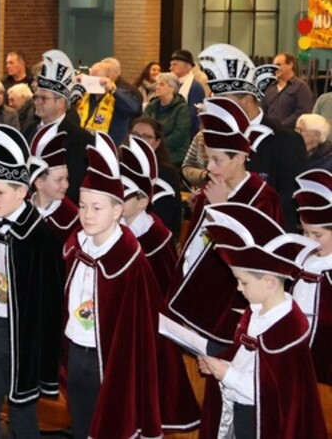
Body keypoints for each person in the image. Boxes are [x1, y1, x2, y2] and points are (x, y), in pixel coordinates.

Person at [63, 132, 164, 439]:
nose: (86, 215)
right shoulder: (75, 244)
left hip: (107, 360)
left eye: (97, 208)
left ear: (117, 210)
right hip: (75, 350)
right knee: (80, 426)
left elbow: (137, 330)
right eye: (82, 206)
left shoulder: (129, 260)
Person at [0, 124, 64, 439]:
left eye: (0, 193)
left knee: (22, 412)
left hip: (21, 335)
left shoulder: (40, 238)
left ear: (21, 192)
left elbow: (50, 303)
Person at [197, 203, 325, 438]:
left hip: (263, 421)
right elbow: (246, 359)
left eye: (243, 282)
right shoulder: (255, 311)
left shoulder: (287, 328)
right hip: (241, 410)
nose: (238, 288)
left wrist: (228, 375)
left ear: (269, 282)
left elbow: (273, 393)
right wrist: (221, 364)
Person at [166, 97, 284, 354]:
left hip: (225, 313)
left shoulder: (263, 198)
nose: (209, 168)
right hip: (188, 301)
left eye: (217, 160)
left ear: (240, 157)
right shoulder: (211, 187)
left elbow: (258, 262)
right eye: (208, 159)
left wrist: (222, 210)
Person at [118, 137, 201, 432]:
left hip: (148, 331)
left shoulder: (155, 236)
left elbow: (166, 289)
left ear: (143, 201)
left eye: (124, 194)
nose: (117, 198)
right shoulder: (112, 228)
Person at [199, 43, 308, 231]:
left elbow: (292, 198)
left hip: (271, 235)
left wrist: (235, 208)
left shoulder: (285, 140)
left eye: (225, 101)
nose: (220, 108)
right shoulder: (221, 135)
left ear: (247, 100)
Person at [290, 168, 332, 393]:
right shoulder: (303, 260)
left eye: (318, 235)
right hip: (297, 350)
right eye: (305, 234)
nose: (310, 242)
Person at [33, 49, 93, 205]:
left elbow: (74, 186)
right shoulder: (29, 131)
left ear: (60, 102)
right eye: (36, 97)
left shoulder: (81, 139)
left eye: (43, 98)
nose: (37, 102)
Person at [128, 116, 184, 238]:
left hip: (153, 237)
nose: (139, 140)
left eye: (146, 137)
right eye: (135, 135)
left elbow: (164, 216)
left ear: (157, 142)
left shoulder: (166, 173)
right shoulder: (119, 165)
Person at [29, 122, 79, 241]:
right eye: (59, 180)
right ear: (39, 182)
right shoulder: (21, 206)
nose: (66, 185)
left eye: (66, 178)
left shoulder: (71, 217)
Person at [75, 60, 141, 145]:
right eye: (91, 78)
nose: (93, 82)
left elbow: (133, 109)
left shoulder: (119, 94)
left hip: (110, 145)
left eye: (96, 79)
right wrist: (75, 86)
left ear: (108, 78)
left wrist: (113, 91)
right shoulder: (85, 96)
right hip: (84, 143)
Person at [142, 71, 190, 166]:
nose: (157, 87)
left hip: (173, 155)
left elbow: (180, 134)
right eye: (157, 84)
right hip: (151, 151)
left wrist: (158, 144)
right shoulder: (151, 106)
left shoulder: (181, 108)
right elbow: (144, 127)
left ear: (172, 88)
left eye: (161, 85)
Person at [263, 52, 315, 128]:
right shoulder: (269, 88)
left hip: (291, 132)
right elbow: (263, 111)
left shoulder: (301, 87)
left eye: (278, 65)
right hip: (269, 132)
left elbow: (304, 112)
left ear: (290, 64)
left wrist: (281, 126)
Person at [169, 48, 206, 135]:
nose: (171, 68)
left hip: (187, 133)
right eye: (171, 65)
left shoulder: (195, 87)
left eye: (175, 65)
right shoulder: (170, 84)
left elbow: (193, 115)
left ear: (187, 67)